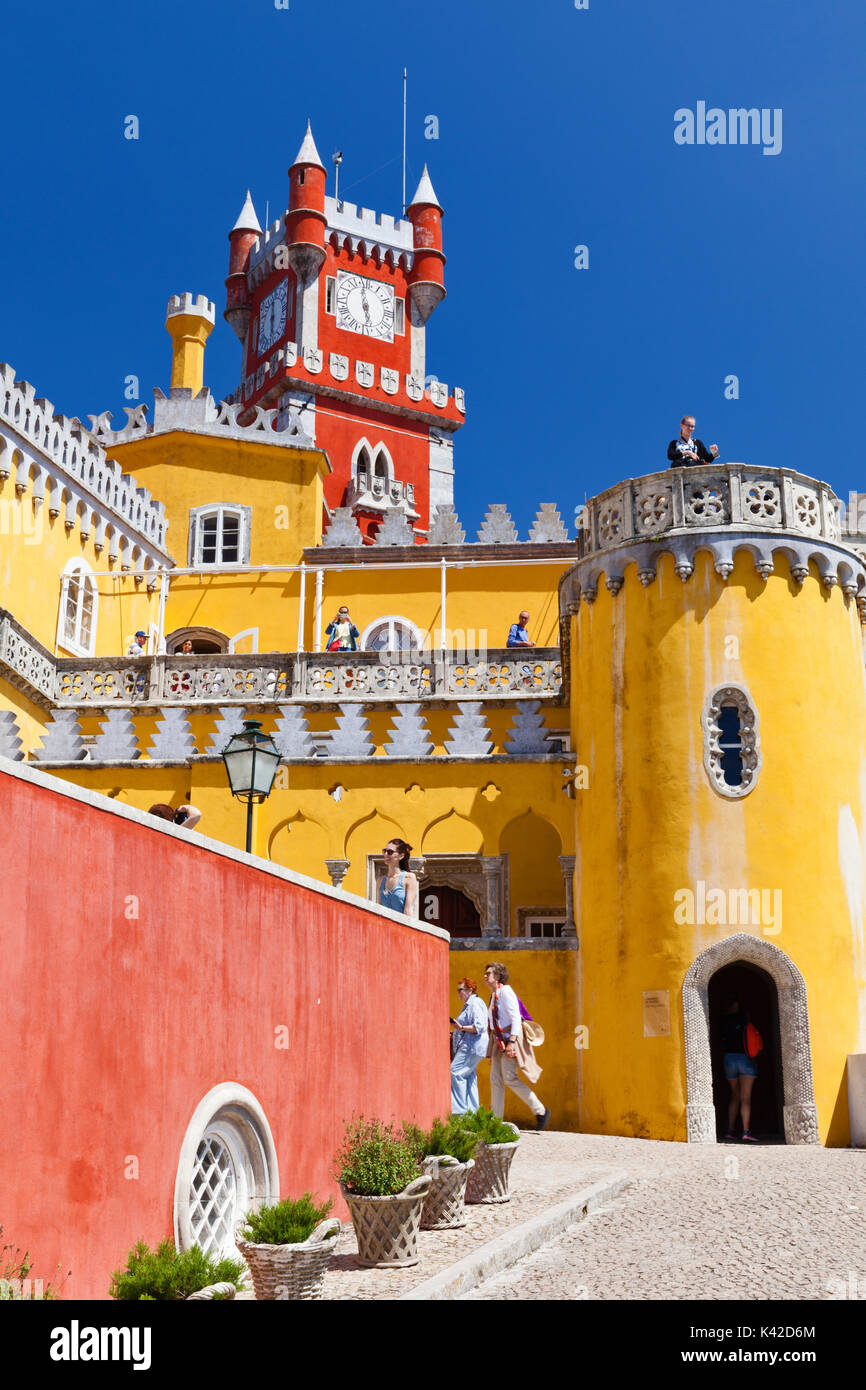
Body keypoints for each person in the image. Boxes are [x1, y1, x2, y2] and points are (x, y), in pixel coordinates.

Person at [484, 962, 550, 1130]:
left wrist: (512, 1042)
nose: (485, 976)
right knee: (495, 1080)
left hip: (509, 1041)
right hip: (499, 1042)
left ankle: (540, 1110)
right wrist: (492, 1050)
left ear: (498, 976)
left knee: (510, 1078)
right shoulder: (494, 995)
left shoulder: (506, 992)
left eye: (489, 973)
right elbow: (493, 1023)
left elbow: (515, 1018)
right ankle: (495, 1122)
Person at [721, 997, 758, 1142]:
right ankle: (746, 1132)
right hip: (745, 1059)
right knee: (746, 1098)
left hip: (729, 1059)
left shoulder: (723, 1021)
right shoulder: (744, 1020)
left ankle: (730, 1130)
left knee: (734, 1096)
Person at [450, 977, 489, 1114]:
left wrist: (460, 1027)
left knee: (455, 1072)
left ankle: (459, 1113)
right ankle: (472, 1113)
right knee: (469, 1076)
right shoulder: (472, 1004)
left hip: (472, 1045)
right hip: (475, 1047)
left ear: (469, 990)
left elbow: (480, 1026)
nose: (458, 993)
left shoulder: (474, 1004)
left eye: (460, 990)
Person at [377, 838, 418, 918]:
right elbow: (379, 908)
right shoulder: (380, 880)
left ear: (401, 856)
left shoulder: (409, 878)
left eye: (390, 852)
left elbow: (408, 910)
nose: (385, 854)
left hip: (400, 927)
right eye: (384, 851)